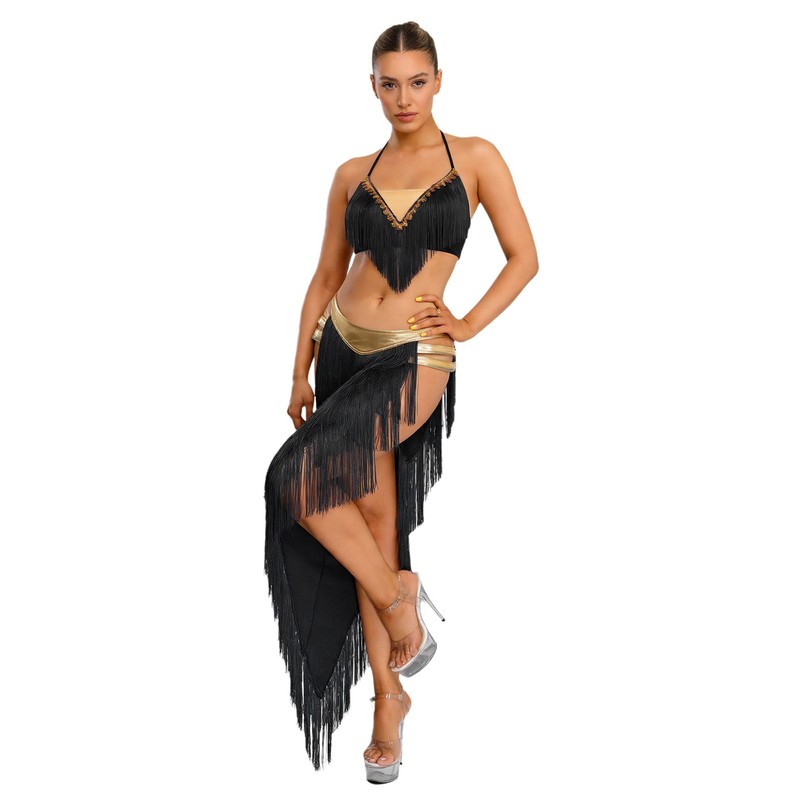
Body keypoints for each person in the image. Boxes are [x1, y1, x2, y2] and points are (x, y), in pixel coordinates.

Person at [263, 20, 538, 783]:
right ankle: (390, 700)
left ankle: (395, 600)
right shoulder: (353, 172)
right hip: (342, 348)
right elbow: (326, 276)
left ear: (438, 82)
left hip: (415, 355)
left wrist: (467, 323)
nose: (404, 97)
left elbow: (525, 258)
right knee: (373, 522)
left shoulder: (474, 158)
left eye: (417, 81)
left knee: (294, 481)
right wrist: (298, 369)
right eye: (390, 83)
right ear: (373, 87)